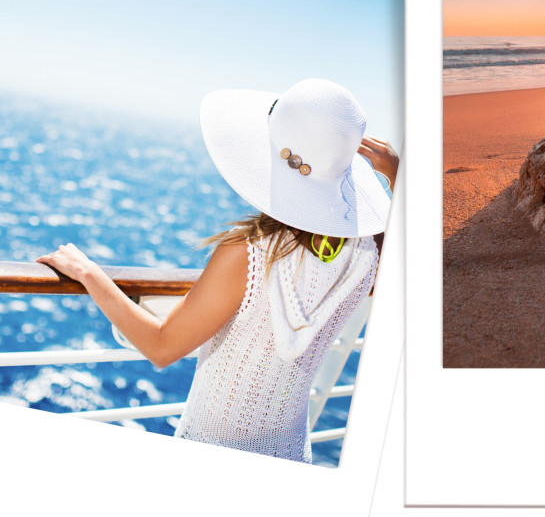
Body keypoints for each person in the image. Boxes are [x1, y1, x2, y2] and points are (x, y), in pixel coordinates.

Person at [36, 78, 397, 463]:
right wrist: (398, 178)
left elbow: (162, 347)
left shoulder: (248, 254)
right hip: (290, 453)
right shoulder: (371, 247)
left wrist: (90, 274)